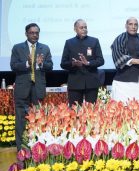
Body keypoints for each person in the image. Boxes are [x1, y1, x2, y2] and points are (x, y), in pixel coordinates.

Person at [10, 23, 53, 151]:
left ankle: (38, 149)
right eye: (32, 33)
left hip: (38, 88)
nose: (35, 35)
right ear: (26, 34)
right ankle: (21, 150)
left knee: (39, 120)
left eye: (37, 33)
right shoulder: (17, 48)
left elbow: (50, 66)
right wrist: (27, 64)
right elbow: (13, 66)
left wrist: (41, 64)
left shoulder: (45, 48)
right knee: (21, 121)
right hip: (22, 89)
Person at [111, 17, 139, 104]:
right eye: (130, 24)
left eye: (135, 24)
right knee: (124, 109)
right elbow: (118, 56)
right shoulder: (119, 39)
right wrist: (138, 61)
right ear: (126, 26)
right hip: (124, 82)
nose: (133, 27)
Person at [60, 19, 105, 106]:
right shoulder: (69, 42)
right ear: (75, 29)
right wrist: (73, 64)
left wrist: (88, 63)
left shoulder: (94, 41)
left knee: (91, 112)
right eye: (81, 27)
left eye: (85, 27)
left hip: (91, 82)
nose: (84, 29)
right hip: (75, 82)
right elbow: (63, 63)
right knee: (74, 111)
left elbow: (101, 60)